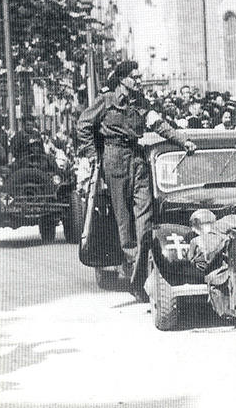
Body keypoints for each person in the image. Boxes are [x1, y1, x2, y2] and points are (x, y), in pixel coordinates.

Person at [76, 61, 196, 299]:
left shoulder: (142, 103)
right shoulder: (106, 100)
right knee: (124, 223)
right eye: (134, 77)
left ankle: (138, 278)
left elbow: (160, 125)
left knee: (145, 222)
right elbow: (83, 125)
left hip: (137, 159)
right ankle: (134, 273)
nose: (139, 80)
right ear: (122, 79)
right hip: (113, 160)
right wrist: (93, 155)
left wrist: (183, 141)